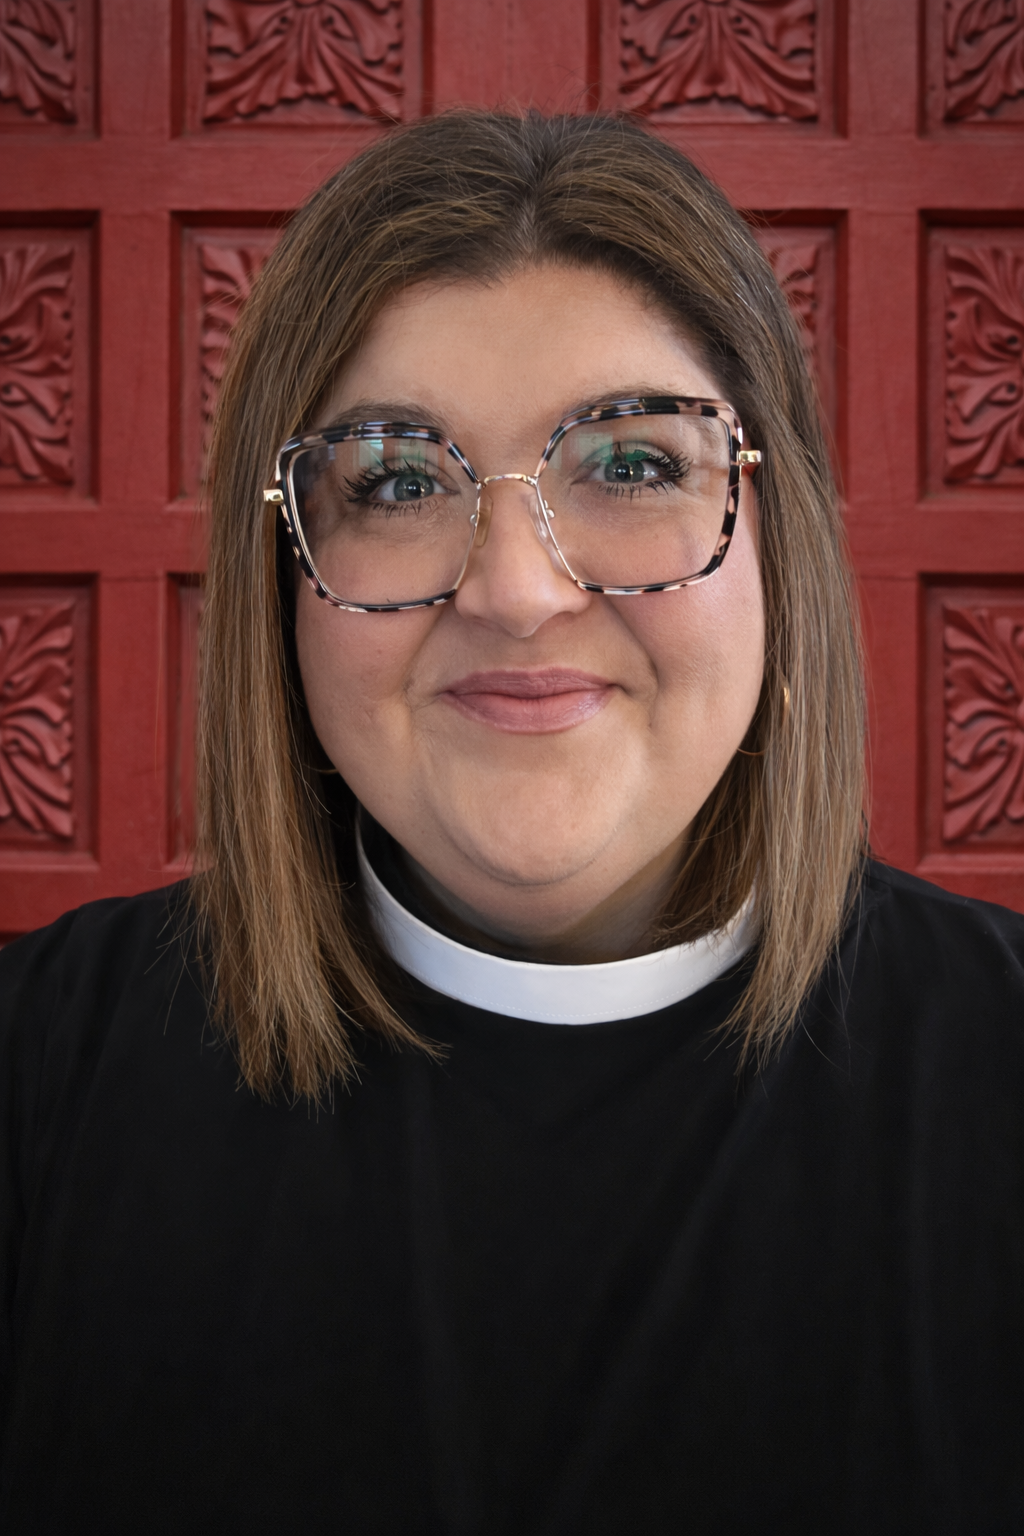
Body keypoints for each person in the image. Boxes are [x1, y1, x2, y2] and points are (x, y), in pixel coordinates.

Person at [1, 112, 1021, 1534]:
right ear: (281, 577)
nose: (518, 592)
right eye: (399, 481)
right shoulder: (39, 1072)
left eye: (634, 463)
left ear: (778, 541)